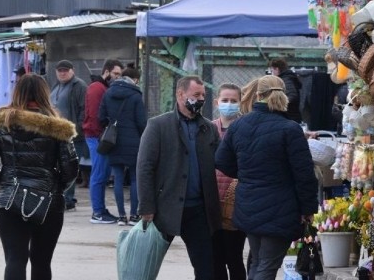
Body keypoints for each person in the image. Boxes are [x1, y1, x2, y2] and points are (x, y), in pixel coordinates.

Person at [215, 75, 318, 280]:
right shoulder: (290, 129)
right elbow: (304, 174)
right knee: (267, 266)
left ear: (258, 95)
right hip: (281, 207)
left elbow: (221, 161)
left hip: (248, 204)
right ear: (284, 96)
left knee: (258, 262)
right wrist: (308, 209)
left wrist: (246, 174)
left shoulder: (238, 126)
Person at [0, 74, 79, 280]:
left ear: (17, 93)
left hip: (9, 202)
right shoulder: (58, 127)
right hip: (48, 202)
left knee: (15, 259)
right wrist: (54, 187)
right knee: (42, 262)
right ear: (45, 94)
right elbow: (71, 169)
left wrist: (6, 185)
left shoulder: (1, 124)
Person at [136, 75, 221, 280]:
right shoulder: (158, 125)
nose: (200, 99)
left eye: (203, 95)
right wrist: (147, 207)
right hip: (164, 210)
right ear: (180, 94)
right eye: (196, 95)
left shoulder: (208, 128)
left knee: (206, 269)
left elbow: (221, 162)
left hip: (199, 211)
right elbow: (145, 167)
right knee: (145, 266)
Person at [99, 66, 145, 226]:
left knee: (117, 178)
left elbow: (100, 118)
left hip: (114, 141)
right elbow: (141, 122)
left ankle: (120, 216)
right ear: (135, 79)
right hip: (134, 142)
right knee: (134, 179)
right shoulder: (136, 95)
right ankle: (133, 216)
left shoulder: (108, 93)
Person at [211, 83, 246, 280]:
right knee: (215, 258)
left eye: (233, 101)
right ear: (217, 102)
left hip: (236, 204)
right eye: (225, 100)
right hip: (213, 202)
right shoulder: (209, 129)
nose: (229, 104)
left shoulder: (245, 128)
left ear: (240, 103)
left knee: (233, 256)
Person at [83, 59, 124, 224]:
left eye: (119, 74)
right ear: (106, 71)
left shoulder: (101, 87)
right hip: (97, 137)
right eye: (115, 73)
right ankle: (98, 212)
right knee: (99, 174)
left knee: (101, 174)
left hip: (98, 136)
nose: (117, 77)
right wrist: (102, 135)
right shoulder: (97, 88)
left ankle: (100, 210)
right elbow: (94, 116)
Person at [49, 59, 88, 211]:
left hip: (72, 135)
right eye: (60, 70)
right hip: (55, 134)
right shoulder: (57, 85)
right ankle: (60, 197)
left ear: (72, 71)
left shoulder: (79, 86)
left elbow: (84, 110)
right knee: (57, 167)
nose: (63, 73)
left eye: (66, 70)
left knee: (69, 167)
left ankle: (68, 200)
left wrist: (76, 129)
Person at [269, 57, 302, 123]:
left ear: (277, 69)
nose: (272, 74)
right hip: (291, 117)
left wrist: (278, 104)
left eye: (272, 71)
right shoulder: (288, 77)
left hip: (289, 117)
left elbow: (292, 95)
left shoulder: (285, 80)